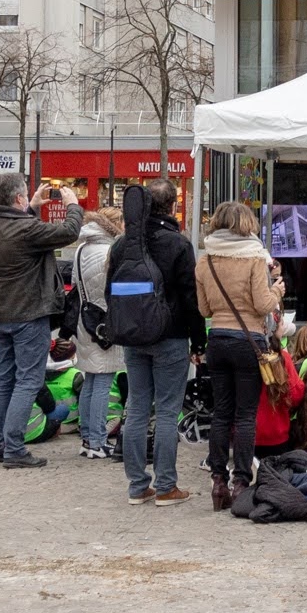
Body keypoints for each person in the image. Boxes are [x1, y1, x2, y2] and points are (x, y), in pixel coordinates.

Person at [0, 176, 81, 472]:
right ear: (18, 198)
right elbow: (68, 231)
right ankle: (15, 447)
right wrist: (72, 205)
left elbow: (17, 231)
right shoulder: (25, 228)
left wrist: (30, 207)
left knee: (2, 377)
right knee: (29, 379)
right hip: (28, 311)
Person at [194, 200, 283, 507]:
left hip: (216, 339)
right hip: (248, 341)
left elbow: (204, 309)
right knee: (245, 416)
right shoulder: (254, 258)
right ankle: (240, 482)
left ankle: (217, 481)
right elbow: (262, 304)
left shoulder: (206, 261)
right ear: (247, 224)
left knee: (221, 413)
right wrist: (278, 292)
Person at [119, 179, 202, 506]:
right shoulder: (178, 245)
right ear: (174, 205)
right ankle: (166, 485)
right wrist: (199, 342)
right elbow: (191, 298)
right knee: (168, 412)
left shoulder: (124, 243)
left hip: (133, 336)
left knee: (136, 409)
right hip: (171, 335)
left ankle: (137, 486)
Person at [68, 207, 125, 463]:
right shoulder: (110, 251)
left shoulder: (82, 248)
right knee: (102, 381)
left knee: (90, 380)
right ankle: (99, 441)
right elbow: (113, 289)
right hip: (105, 322)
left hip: (84, 319)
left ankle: (87, 438)